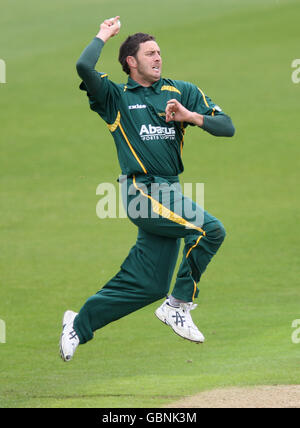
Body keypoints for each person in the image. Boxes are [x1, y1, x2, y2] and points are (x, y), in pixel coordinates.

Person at [59, 16, 235, 362]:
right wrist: (103, 35)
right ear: (131, 61)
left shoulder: (180, 91)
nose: (158, 58)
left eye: (159, 53)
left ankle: (79, 323)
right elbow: (83, 66)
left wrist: (191, 117)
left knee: (148, 284)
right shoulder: (116, 97)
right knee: (209, 229)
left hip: (169, 191)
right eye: (150, 53)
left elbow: (227, 127)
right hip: (141, 191)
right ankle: (179, 305)